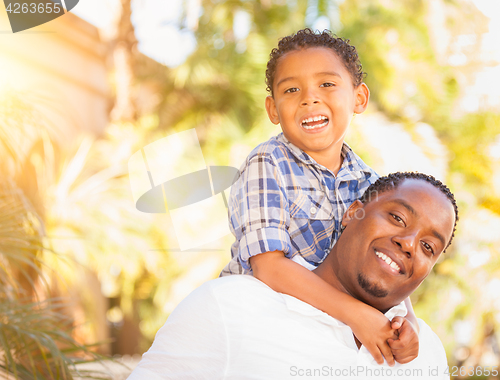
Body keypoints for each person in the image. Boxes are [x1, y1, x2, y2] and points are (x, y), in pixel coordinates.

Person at [128, 173, 458, 380]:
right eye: (397, 217)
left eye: (428, 246)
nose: (409, 243)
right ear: (352, 212)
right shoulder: (228, 307)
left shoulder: (425, 351)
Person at [220, 28, 418, 364]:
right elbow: (269, 268)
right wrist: (356, 314)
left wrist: (406, 320)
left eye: (327, 84)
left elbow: (386, 264)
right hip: (260, 321)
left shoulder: (373, 184)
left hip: (324, 329)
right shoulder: (267, 163)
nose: (309, 98)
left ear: (359, 98)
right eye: (292, 89)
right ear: (273, 109)